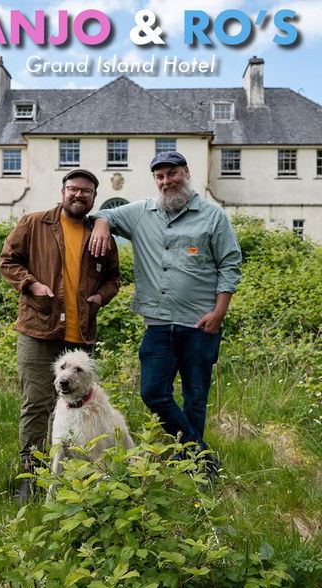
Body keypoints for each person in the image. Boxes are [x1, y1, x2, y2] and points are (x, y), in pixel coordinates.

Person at [89, 151, 241, 478]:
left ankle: (192, 469)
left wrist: (219, 312)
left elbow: (230, 264)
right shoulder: (141, 213)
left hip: (201, 325)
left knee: (195, 398)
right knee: (153, 393)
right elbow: (105, 214)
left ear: (186, 172)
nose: (166, 181)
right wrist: (102, 224)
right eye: (159, 176)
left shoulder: (213, 216)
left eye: (172, 173)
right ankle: (199, 454)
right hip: (157, 326)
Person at [0, 169, 120, 501]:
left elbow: (113, 278)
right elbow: (7, 261)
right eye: (73, 189)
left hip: (80, 334)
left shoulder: (99, 233)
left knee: (76, 407)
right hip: (39, 328)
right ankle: (32, 475)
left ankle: (72, 476)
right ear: (63, 191)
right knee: (37, 404)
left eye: (86, 191)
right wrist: (31, 284)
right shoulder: (34, 223)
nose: (79, 195)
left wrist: (101, 297)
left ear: (94, 197)